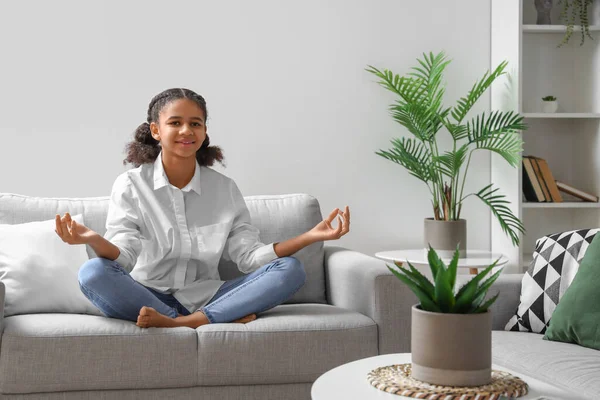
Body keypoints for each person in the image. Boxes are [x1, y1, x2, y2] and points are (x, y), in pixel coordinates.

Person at [54, 88, 350, 329]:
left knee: (290, 269)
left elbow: (248, 258)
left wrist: (311, 236)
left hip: (209, 296)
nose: (186, 130)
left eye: (195, 123)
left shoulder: (224, 188)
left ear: (204, 130)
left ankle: (183, 322)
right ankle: (207, 320)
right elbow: (125, 257)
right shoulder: (131, 185)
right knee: (94, 273)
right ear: (156, 130)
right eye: (175, 123)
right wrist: (91, 238)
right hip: (145, 294)